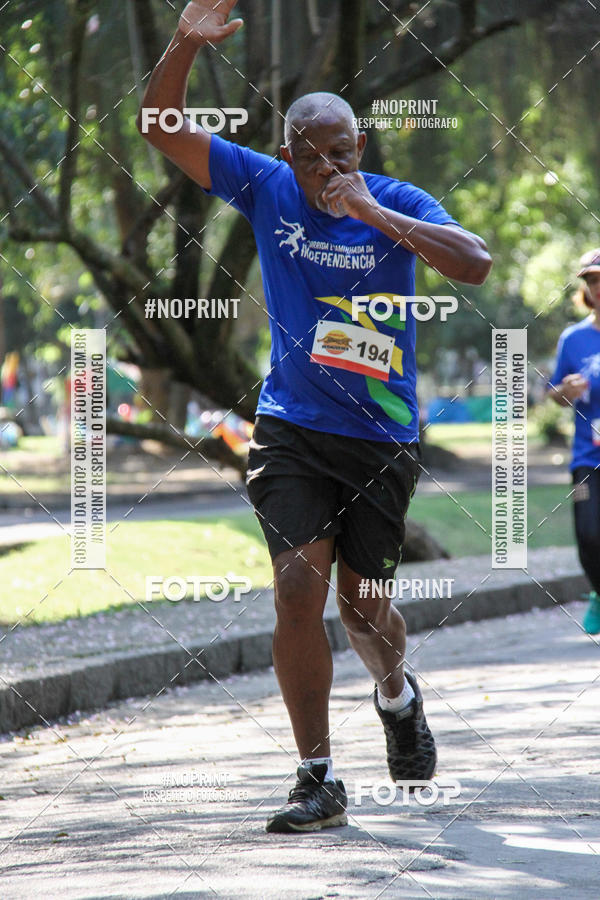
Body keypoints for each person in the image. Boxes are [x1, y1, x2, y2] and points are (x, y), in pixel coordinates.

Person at [138, 0, 492, 833]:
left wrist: (371, 211)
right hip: (292, 425)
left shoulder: (397, 201)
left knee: (364, 606)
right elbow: (159, 125)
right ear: (286, 156)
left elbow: (474, 263)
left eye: (341, 153)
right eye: (311, 158)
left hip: (380, 434)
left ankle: (397, 697)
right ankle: (317, 774)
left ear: (360, 149)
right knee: (298, 586)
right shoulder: (263, 184)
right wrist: (184, 45)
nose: (326, 169)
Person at [548, 249, 600, 635]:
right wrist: (564, 390)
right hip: (588, 455)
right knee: (589, 533)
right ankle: (599, 591)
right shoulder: (574, 338)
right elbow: (555, 393)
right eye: (592, 281)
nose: (597, 287)